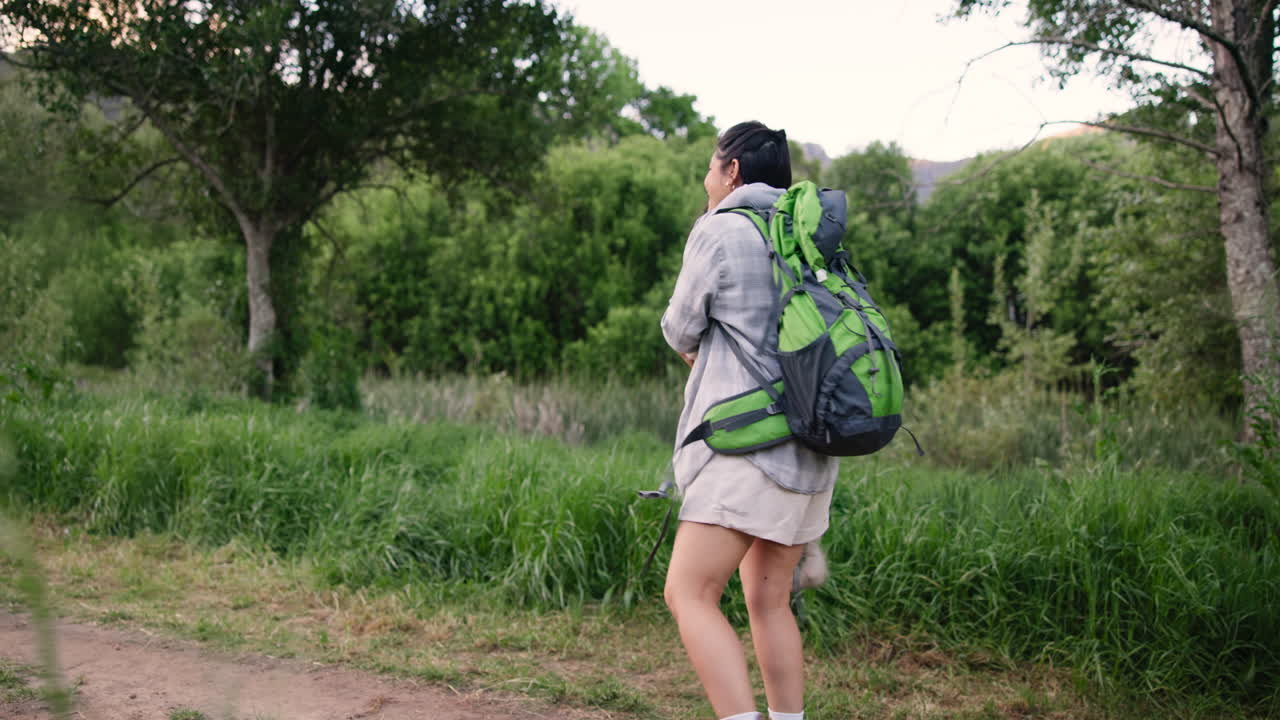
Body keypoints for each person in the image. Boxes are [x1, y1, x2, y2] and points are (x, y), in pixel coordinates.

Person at [660, 121, 839, 720]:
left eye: (711, 167)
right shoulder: (809, 231)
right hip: (810, 444)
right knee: (769, 601)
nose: (705, 178)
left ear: (732, 172)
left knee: (689, 592)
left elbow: (679, 328)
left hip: (745, 446)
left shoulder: (722, 229)